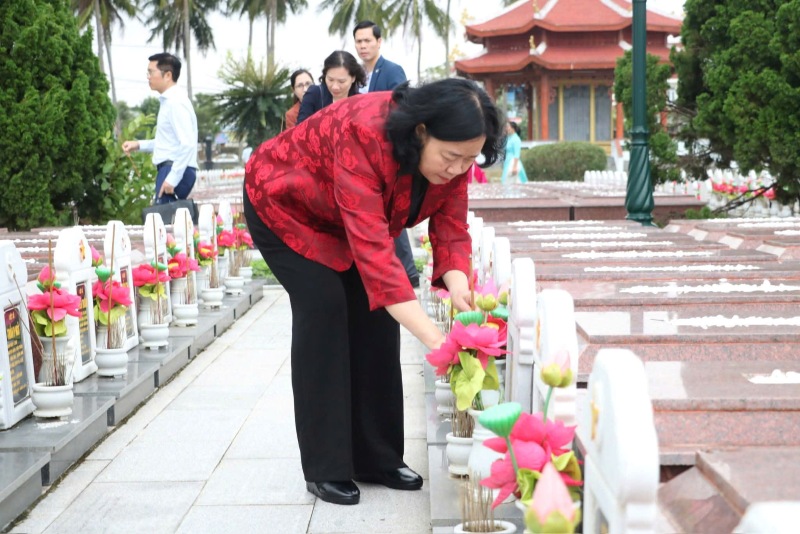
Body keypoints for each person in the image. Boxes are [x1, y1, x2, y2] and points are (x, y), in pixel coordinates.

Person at [243, 78, 504, 506]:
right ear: (420, 131)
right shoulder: (364, 132)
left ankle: (377, 457)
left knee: (376, 315)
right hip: (287, 206)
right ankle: (326, 467)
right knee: (325, 307)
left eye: (470, 160)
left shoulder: (455, 155)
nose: (458, 169)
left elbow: (452, 228)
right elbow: (377, 259)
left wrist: (459, 285)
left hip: (350, 216)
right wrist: (438, 341)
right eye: (451, 157)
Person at [353, 20, 419, 288]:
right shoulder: (356, 76)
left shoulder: (392, 71)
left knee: (390, 211)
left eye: (368, 41)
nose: (363, 46)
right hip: (361, 154)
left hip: (387, 151)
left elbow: (402, 110)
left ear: (379, 42)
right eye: (359, 41)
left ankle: (407, 270)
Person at [122, 53, 198, 203]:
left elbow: (187, 143)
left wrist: (173, 179)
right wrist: (138, 145)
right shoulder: (169, 102)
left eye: (151, 72)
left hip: (173, 169)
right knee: (164, 222)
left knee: (161, 222)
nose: (148, 77)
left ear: (168, 75)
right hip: (171, 168)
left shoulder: (175, 102)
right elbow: (169, 143)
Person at [296, 51, 365, 124]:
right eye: (330, 80)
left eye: (341, 81)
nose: (335, 87)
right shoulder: (314, 94)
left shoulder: (360, 102)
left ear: (353, 78)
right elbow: (300, 129)